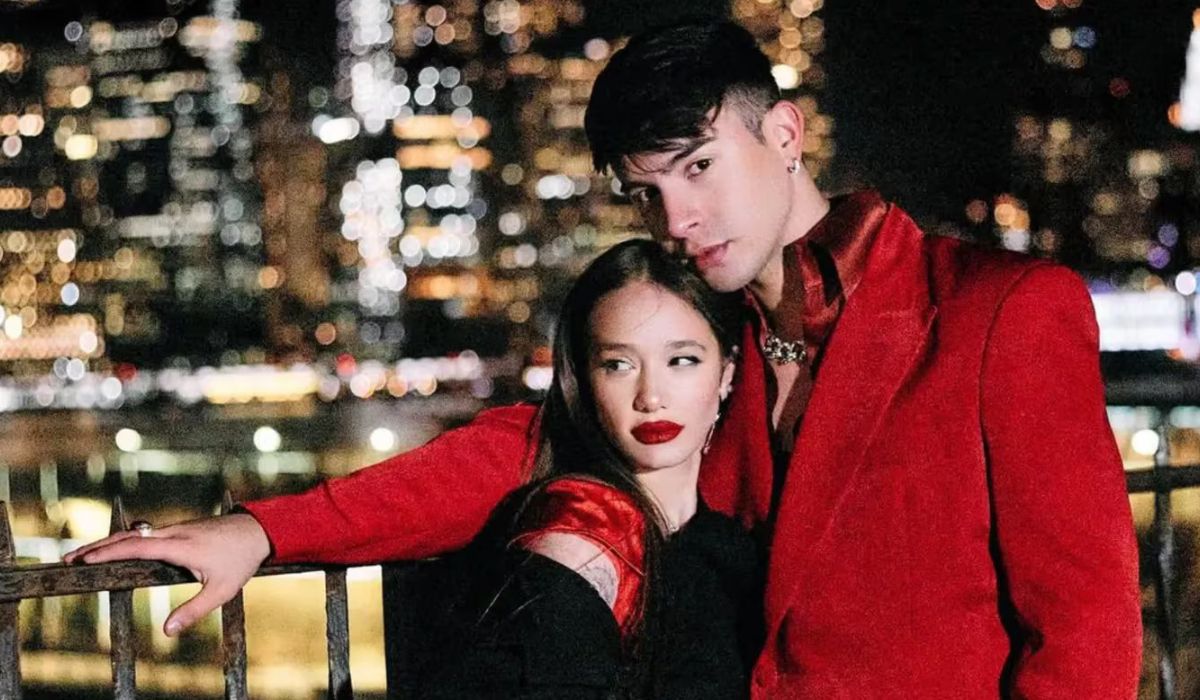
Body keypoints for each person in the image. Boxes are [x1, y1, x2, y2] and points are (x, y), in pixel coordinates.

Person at [67, 20, 1141, 698]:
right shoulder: (707, 344)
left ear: (785, 134)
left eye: (699, 166)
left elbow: (1086, 630)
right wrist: (261, 531)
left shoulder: (999, 312)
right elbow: (517, 450)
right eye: (647, 192)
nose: (679, 217)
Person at [400, 238, 759, 698]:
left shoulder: (725, 538)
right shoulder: (582, 528)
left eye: (681, 360)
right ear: (585, 381)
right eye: (619, 365)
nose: (651, 396)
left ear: (727, 372)